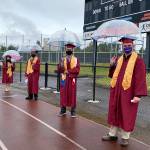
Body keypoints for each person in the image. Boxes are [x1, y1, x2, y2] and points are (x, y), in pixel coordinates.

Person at [102, 36, 147, 146]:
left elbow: (140, 78)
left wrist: (138, 95)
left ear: (133, 46)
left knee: (127, 113)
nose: (127, 47)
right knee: (115, 111)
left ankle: (125, 137)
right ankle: (112, 134)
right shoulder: (119, 59)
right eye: (125, 46)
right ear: (122, 46)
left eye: (129, 46)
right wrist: (112, 65)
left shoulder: (138, 60)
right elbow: (113, 76)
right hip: (117, 91)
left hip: (129, 93)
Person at [57, 43, 80, 117]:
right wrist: (60, 65)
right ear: (65, 50)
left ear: (72, 50)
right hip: (64, 79)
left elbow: (77, 69)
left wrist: (69, 71)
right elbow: (59, 69)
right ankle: (63, 110)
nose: (69, 51)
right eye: (67, 49)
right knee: (63, 93)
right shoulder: (62, 59)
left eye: (70, 50)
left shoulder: (76, 60)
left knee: (72, 93)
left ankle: (73, 111)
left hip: (72, 79)